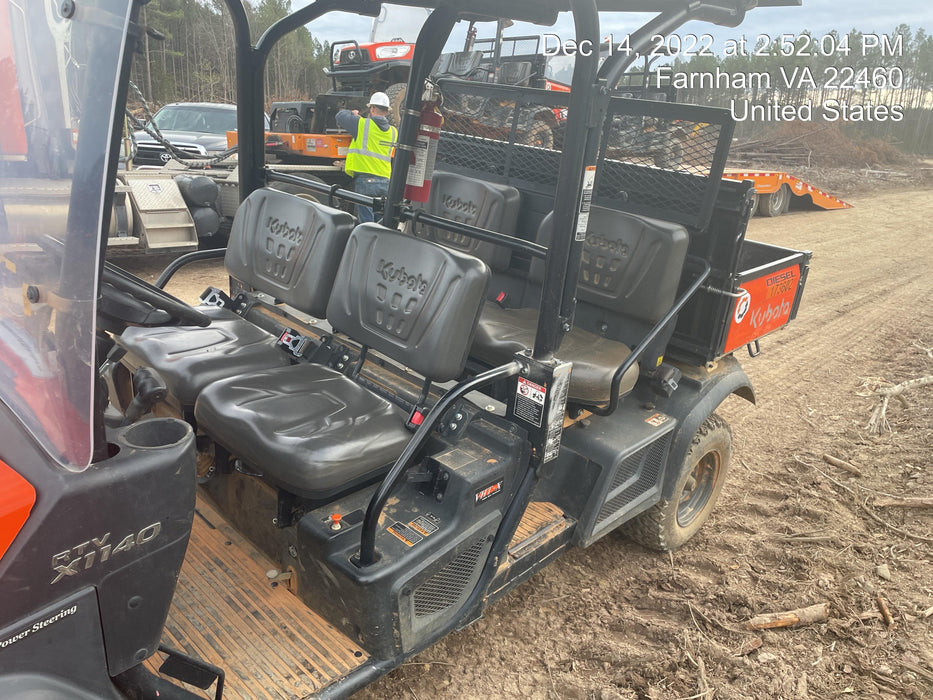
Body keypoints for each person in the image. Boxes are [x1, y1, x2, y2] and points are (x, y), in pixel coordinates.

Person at [336, 92, 397, 223]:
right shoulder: (393, 132)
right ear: (387, 111)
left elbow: (340, 116)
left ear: (372, 108)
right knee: (381, 224)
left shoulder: (362, 124)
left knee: (367, 223)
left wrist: (352, 113)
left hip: (366, 181)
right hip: (385, 182)